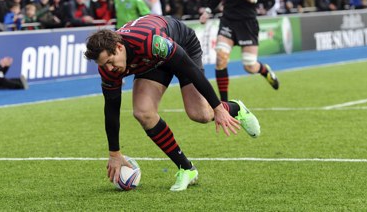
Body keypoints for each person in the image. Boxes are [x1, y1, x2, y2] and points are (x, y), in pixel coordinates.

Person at [84, 14, 260, 192]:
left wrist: (218, 108)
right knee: (143, 113)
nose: (108, 68)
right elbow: (112, 109)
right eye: (103, 65)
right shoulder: (108, 69)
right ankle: (187, 169)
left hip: (182, 47)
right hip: (152, 61)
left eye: (110, 62)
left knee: (201, 114)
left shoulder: (150, 42)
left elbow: (190, 70)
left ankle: (237, 108)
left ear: (119, 47)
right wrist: (114, 153)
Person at [200, 0, 279, 102]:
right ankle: (224, 103)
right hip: (228, 20)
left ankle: (264, 71)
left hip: (247, 22)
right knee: (221, 58)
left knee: (249, 66)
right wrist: (207, 11)